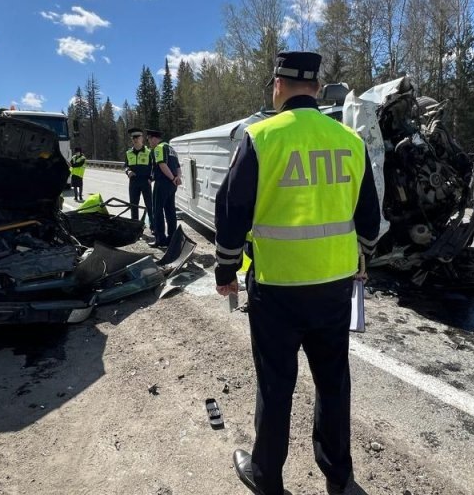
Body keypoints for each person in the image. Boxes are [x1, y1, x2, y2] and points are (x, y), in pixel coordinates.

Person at [214, 51, 381, 495]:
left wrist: (225, 268)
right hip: (333, 288)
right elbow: (369, 218)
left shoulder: (260, 138)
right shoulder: (350, 141)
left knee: (275, 385)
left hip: (276, 289)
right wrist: (363, 259)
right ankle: (340, 480)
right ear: (316, 86)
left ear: (278, 85)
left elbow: (231, 211)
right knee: (333, 384)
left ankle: (267, 478)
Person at [147, 128, 181, 248]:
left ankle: (160, 239)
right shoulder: (171, 148)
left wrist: (172, 178)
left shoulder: (159, 148)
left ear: (154, 138)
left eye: (149, 139)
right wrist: (177, 178)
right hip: (172, 185)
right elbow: (178, 167)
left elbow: (162, 164)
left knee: (157, 211)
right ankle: (172, 239)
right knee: (170, 211)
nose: (149, 142)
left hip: (163, 182)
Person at [124, 127, 153, 227]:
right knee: (133, 205)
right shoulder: (128, 153)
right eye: (133, 137)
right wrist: (128, 171)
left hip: (145, 181)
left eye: (137, 137)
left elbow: (154, 167)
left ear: (142, 138)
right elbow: (125, 166)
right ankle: (135, 226)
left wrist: (151, 178)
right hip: (134, 182)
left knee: (149, 205)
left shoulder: (149, 152)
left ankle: (153, 226)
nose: (135, 139)